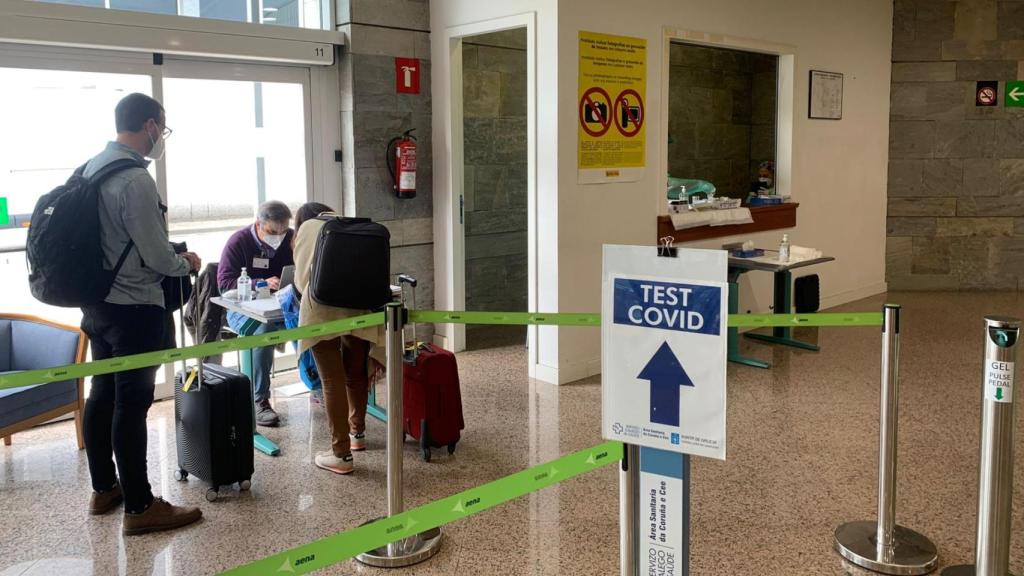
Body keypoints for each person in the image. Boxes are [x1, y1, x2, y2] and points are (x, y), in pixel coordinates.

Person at [81, 93, 203, 535]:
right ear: (149, 125)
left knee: (103, 394)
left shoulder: (92, 168)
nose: (160, 137)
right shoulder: (134, 180)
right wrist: (184, 263)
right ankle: (140, 507)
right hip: (134, 307)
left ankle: (104, 488)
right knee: (132, 405)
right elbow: (154, 254)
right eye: (162, 128)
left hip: (97, 304)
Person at [293, 202, 384, 475]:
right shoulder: (358, 226)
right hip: (361, 307)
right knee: (355, 373)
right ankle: (358, 435)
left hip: (320, 310)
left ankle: (340, 454)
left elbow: (301, 281)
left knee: (331, 381)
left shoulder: (307, 228)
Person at [217, 200, 295, 427]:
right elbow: (224, 284)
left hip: (280, 306)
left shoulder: (289, 238)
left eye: (282, 231)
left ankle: (317, 383)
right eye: (272, 232)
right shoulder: (238, 242)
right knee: (263, 331)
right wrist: (259, 283)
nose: (278, 237)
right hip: (241, 309)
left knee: (307, 321)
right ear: (258, 225)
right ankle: (259, 399)